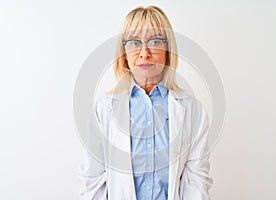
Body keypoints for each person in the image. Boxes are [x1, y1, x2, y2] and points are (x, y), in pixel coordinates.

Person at [79, 5, 213, 200]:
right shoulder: (104, 110)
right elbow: (92, 181)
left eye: (155, 41)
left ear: (168, 50)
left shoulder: (193, 111)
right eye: (134, 42)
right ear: (123, 53)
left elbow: (197, 182)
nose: (144, 53)